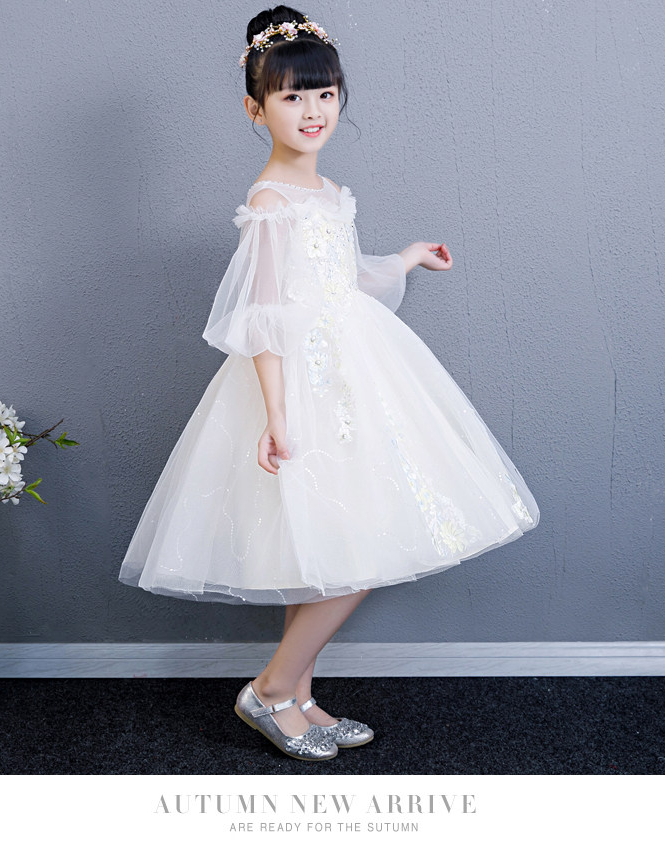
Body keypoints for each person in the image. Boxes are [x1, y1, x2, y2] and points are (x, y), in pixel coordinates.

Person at [118, 6, 540, 762]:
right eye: (291, 97)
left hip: (354, 378)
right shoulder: (271, 203)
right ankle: (269, 691)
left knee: (326, 550)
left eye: (325, 94)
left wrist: (405, 258)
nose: (313, 111)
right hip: (305, 388)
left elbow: (337, 283)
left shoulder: (326, 190)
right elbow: (264, 317)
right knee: (354, 546)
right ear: (255, 108)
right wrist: (277, 416)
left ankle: (301, 698)